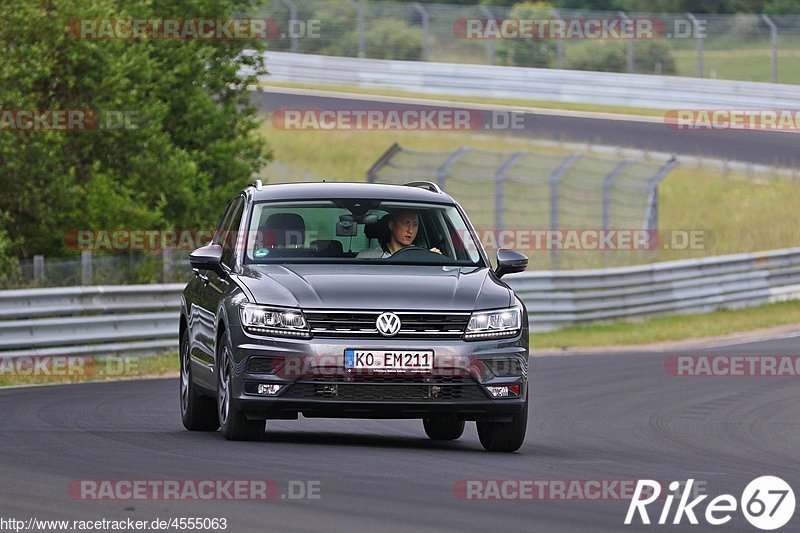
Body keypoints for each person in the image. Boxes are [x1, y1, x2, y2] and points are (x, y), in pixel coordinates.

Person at [357, 210, 440, 258]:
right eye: (405, 223)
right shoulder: (367, 257)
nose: (410, 230)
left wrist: (435, 259)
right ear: (391, 225)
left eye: (415, 225)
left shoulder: (424, 257)